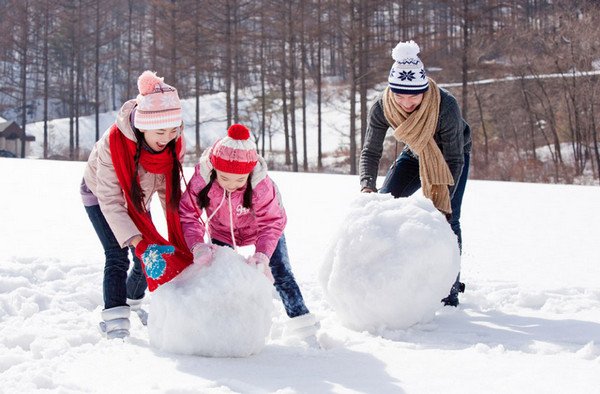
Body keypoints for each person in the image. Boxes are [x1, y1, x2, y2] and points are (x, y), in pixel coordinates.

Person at [178, 123, 318, 341]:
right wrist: (197, 244)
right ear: (214, 169)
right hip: (222, 230)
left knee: (280, 271)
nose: (232, 185)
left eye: (239, 180)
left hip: (263, 230)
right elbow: (188, 214)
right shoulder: (202, 179)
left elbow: (272, 221)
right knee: (220, 274)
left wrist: (262, 254)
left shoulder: (261, 184)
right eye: (225, 179)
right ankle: (223, 326)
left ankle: (304, 328)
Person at [359, 40, 472, 307]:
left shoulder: (445, 105)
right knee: (385, 205)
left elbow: (454, 158)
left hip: (450, 156)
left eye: (414, 95)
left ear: (424, 90)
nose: (407, 102)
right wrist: (367, 186)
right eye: (399, 95)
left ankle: (450, 287)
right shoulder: (382, 106)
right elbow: (370, 151)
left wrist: (444, 203)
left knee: (448, 218)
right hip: (414, 153)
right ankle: (392, 276)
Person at [81, 70, 192, 339]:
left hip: (138, 199)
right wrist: (137, 241)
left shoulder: (174, 144)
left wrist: (182, 236)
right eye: (160, 131)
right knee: (117, 254)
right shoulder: (114, 143)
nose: (166, 138)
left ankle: (132, 301)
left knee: (149, 255)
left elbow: (169, 191)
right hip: (101, 197)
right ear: (143, 126)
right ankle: (116, 319)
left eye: (172, 130)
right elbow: (111, 200)